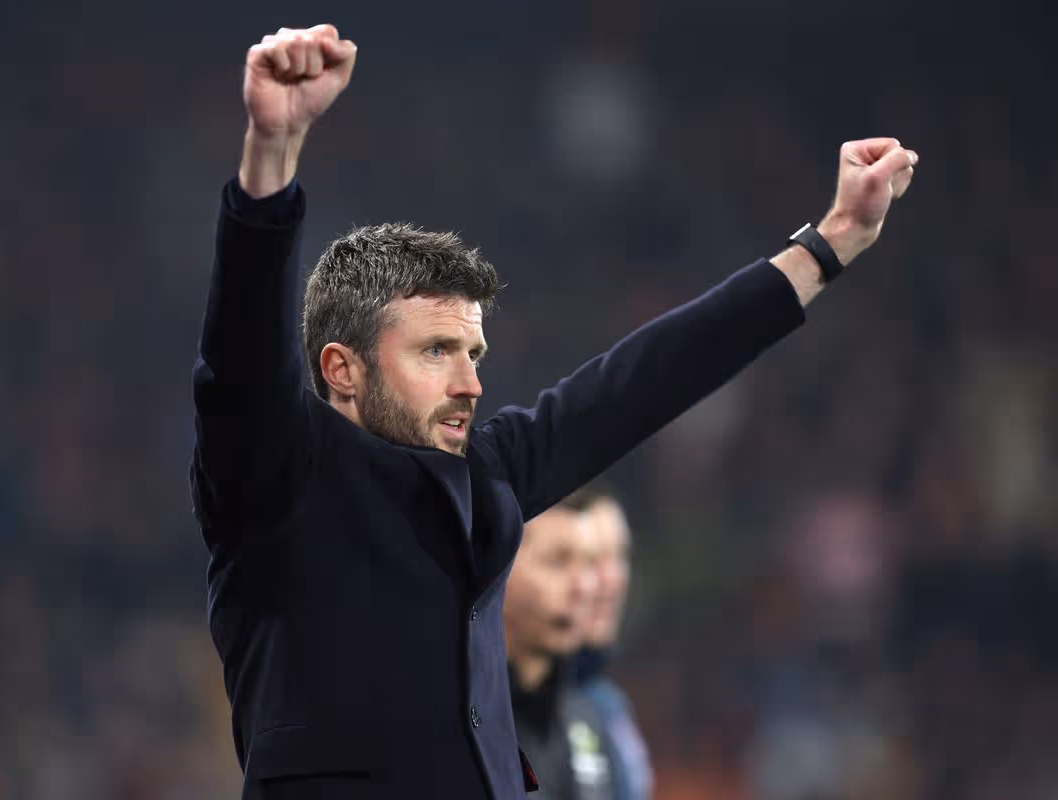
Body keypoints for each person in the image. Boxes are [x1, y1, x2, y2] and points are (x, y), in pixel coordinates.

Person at [188, 22, 919, 800]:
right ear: (342, 369)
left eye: (474, 355)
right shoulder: (280, 480)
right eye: (436, 351)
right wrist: (272, 156)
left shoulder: (486, 477)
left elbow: (646, 381)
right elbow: (241, 360)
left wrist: (830, 243)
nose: (470, 383)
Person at [503, 487, 621, 800]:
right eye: (558, 562)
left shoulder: (588, 721)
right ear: (501, 569)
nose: (583, 586)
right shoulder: (460, 720)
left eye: (589, 564)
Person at [576, 491, 653, 800]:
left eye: (620, 555)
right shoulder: (506, 707)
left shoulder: (607, 704)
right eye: (592, 559)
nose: (613, 578)